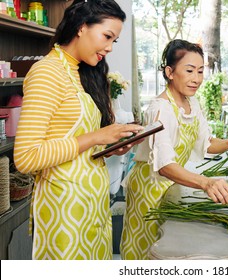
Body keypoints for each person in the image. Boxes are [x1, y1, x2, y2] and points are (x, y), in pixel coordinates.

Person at [13, 0, 143, 260]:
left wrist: (110, 147)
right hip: (65, 209)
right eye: (107, 36)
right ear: (82, 27)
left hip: (91, 202)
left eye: (114, 41)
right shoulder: (47, 72)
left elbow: (78, 145)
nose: (108, 47)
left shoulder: (82, 73)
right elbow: (26, 157)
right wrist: (97, 136)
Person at [120, 39, 228, 260]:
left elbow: (207, 143)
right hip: (149, 190)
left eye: (201, 71)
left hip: (173, 185)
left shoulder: (192, 104)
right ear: (170, 72)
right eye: (190, 70)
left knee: (167, 249)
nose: (196, 79)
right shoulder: (160, 109)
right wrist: (206, 182)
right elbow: (164, 166)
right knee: (147, 251)